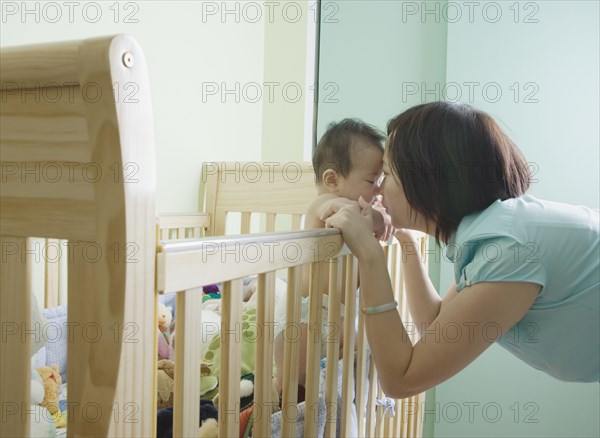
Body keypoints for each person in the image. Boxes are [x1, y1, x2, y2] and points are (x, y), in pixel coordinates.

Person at [321, 101, 600, 398]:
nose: (377, 190)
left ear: (427, 180)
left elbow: (402, 380)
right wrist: (406, 241)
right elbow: (435, 323)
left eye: (386, 174)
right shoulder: (492, 233)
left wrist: (370, 254)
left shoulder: (507, 249)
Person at [272, 118, 394, 397]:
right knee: (292, 388)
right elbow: (343, 211)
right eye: (372, 181)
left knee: (322, 393)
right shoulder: (322, 205)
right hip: (302, 318)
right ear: (332, 180)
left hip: (337, 315)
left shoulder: (354, 213)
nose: (378, 192)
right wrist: (377, 216)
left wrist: (379, 217)